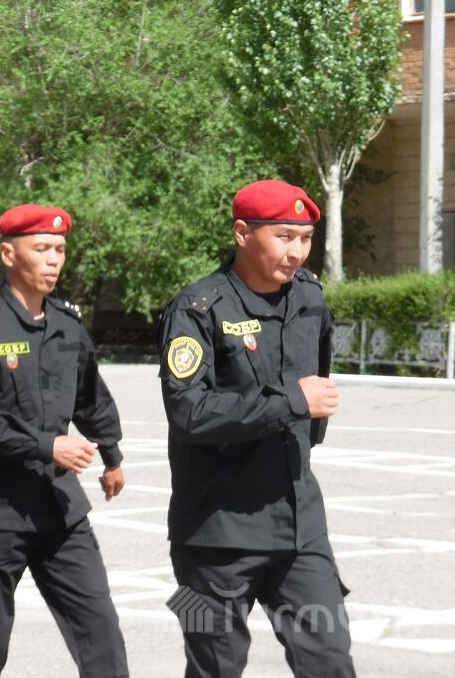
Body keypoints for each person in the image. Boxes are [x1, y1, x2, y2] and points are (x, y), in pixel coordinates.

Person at [158, 179, 352, 678]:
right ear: (243, 233)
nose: (297, 252)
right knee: (213, 667)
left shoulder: (310, 297)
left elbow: (316, 386)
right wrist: (291, 402)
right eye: (284, 236)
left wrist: (302, 412)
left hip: (300, 529)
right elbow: (188, 412)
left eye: (305, 239)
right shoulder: (197, 308)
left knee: (330, 660)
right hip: (213, 536)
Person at [0, 203, 129, 678]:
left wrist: (111, 455)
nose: (53, 260)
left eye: (60, 250)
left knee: (101, 631)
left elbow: (90, 396)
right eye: (42, 248)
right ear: (9, 254)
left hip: (58, 506)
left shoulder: (67, 322)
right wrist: (47, 446)